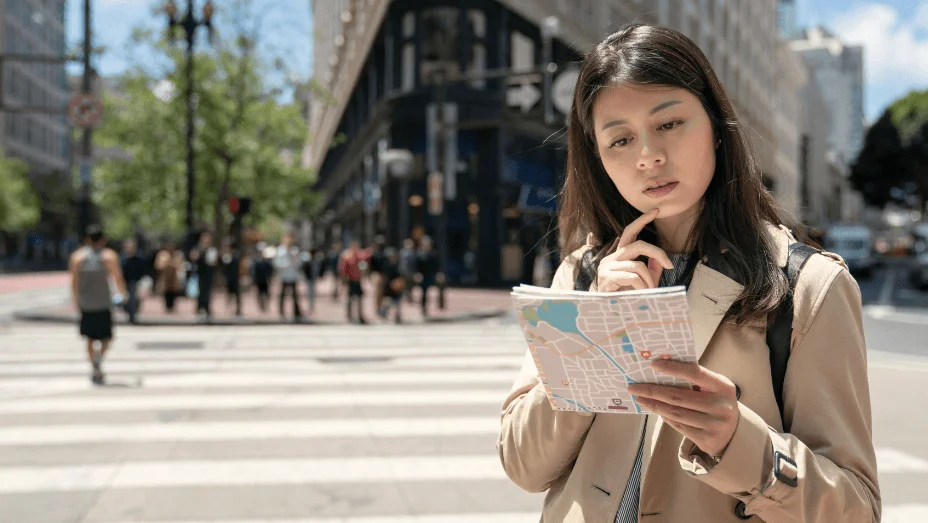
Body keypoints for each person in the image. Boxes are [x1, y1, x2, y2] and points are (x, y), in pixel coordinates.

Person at [497, 24, 880, 523]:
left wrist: (740, 443)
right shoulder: (583, 272)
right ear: (599, 160)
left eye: (670, 124)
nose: (648, 156)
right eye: (619, 140)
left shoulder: (807, 287)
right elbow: (523, 466)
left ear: (717, 128)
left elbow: (856, 509)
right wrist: (590, 335)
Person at [69, 226, 127, 385]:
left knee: (89, 338)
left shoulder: (77, 257)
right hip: (103, 302)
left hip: (86, 303)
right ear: (103, 240)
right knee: (106, 337)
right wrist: (123, 294)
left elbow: (73, 281)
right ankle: (99, 359)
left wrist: (75, 300)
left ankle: (94, 364)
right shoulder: (109, 256)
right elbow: (118, 278)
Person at [338, 240, 371, 324]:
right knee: (350, 299)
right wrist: (344, 280)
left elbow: (366, 258)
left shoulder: (360, 255)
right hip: (350, 280)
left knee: (360, 298)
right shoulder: (347, 256)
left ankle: (360, 316)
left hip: (358, 280)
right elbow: (343, 269)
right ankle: (349, 316)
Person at [189, 232, 219, 322]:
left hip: (208, 273)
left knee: (207, 292)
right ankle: (200, 309)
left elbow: (214, 262)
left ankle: (206, 309)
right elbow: (192, 257)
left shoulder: (211, 250)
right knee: (200, 291)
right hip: (200, 273)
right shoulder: (198, 248)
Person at [274, 234, 303, 321]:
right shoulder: (280, 251)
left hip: (293, 276)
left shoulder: (295, 250)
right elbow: (276, 263)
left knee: (295, 295)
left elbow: (299, 263)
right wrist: (286, 264)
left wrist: (295, 260)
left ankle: (297, 313)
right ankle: (281, 312)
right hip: (284, 276)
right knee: (282, 295)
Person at [120, 238, 147, 324]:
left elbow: (142, 270)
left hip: (134, 281)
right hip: (124, 281)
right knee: (125, 300)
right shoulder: (122, 258)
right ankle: (129, 313)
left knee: (133, 299)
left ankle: (132, 315)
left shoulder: (139, 258)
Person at [154, 240, 184, 313]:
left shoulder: (177, 254)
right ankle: (167, 307)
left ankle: (172, 307)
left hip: (174, 279)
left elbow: (180, 265)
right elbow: (158, 266)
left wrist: (173, 264)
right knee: (166, 294)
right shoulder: (162, 255)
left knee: (174, 293)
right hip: (165, 278)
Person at [377, 247, 405, 324]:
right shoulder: (386, 266)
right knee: (388, 302)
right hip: (388, 287)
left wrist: (399, 284)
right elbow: (384, 277)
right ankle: (383, 312)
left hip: (397, 287)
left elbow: (400, 276)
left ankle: (397, 316)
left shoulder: (397, 265)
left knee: (397, 302)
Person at [415, 236, 439, 318]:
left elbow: (436, 265)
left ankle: (440, 306)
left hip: (430, 275)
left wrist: (438, 274)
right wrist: (417, 274)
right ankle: (423, 308)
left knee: (436, 290)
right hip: (423, 276)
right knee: (424, 292)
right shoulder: (419, 254)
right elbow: (416, 265)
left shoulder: (433, 253)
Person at [221, 239, 243, 317]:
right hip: (229, 278)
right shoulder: (226, 256)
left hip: (235, 278)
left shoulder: (236, 255)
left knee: (237, 295)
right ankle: (228, 309)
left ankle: (238, 310)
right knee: (229, 295)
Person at [250, 245, 275, 313]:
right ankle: (261, 306)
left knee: (267, 293)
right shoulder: (255, 260)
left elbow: (270, 269)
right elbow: (252, 270)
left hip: (265, 279)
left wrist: (270, 277)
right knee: (259, 293)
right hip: (258, 279)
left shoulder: (267, 260)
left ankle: (266, 305)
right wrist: (253, 278)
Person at [398, 238, 418, 303]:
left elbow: (415, 264)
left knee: (410, 285)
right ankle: (405, 296)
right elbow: (400, 263)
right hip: (403, 272)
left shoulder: (413, 253)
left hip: (410, 272)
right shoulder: (401, 252)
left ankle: (409, 295)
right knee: (403, 285)